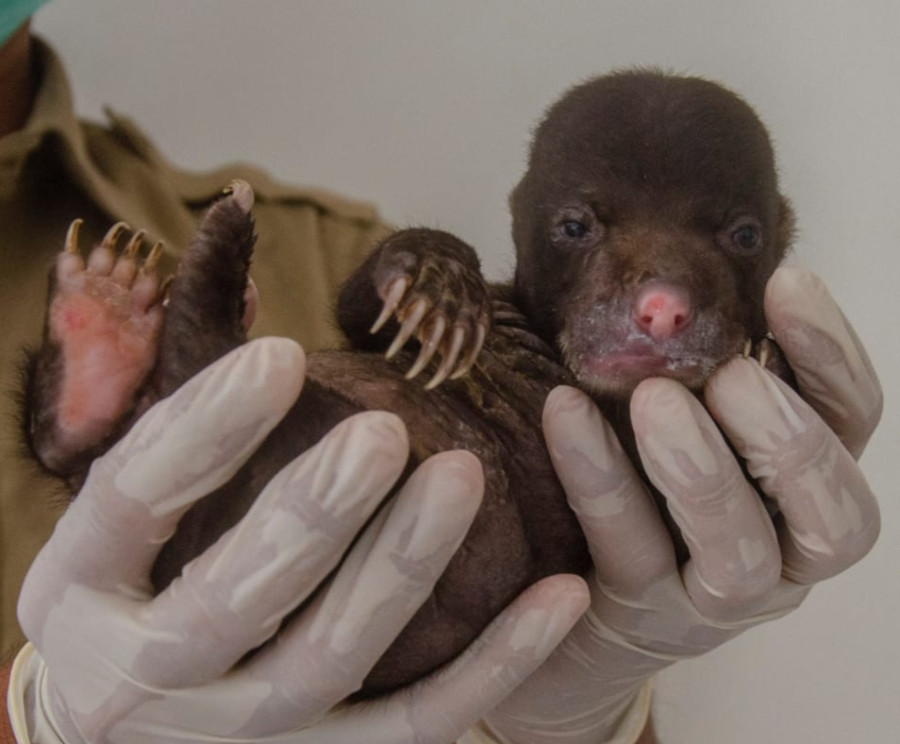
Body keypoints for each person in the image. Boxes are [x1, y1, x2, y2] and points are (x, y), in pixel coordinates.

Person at [0, 7, 882, 744]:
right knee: (282, 437)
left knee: (326, 446)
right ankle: (169, 389)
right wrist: (46, 727)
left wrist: (581, 724)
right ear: (527, 224)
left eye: (734, 239)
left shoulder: (314, 237)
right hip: (331, 470)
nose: (661, 302)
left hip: (432, 539)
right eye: (579, 229)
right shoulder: (390, 275)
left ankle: (151, 403)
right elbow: (369, 314)